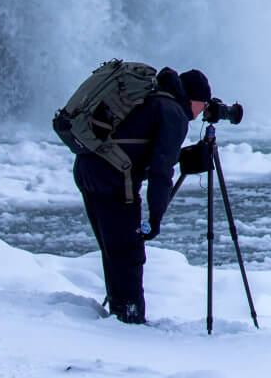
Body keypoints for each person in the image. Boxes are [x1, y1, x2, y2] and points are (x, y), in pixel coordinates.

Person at [73, 66, 211, 324]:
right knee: (128, 254)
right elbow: (160, 170)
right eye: (202, 106)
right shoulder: (173, 114)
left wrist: (183, 157)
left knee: (114, 250)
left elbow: (138, 145)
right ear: (193, 100)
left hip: (88, 169)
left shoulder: (150, 97)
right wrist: (156, 216)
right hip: (113, 181)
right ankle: (129, 321)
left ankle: (119, 313)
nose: (201, 113)